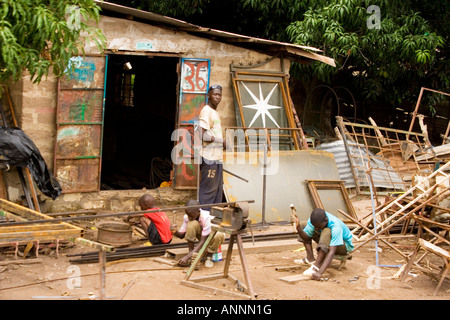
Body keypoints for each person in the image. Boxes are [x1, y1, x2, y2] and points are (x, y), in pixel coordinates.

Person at [293, 208, 354, 280]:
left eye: (318, 227)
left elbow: (331, 252)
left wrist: (319, 272)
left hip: (343, 246)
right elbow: (306, 238)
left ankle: (316, 266)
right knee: (303, 224)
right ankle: (310, 259)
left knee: (326, 231)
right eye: (315, 226)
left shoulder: (335, 226)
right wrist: (298, 228)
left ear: (326, 220)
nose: (316, 228)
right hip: (328, 239)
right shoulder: (316, 221)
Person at [173, 199, 225, 268]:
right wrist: (174, 231)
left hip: (213, 237)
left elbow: (203, 241)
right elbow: (182, 235)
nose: (189, 217)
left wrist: (187, 257)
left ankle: (209, 256)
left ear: (198, 211)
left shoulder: (206, 218)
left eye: (192, 215)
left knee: (219, 234)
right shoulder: (187, 217)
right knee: (191, 223)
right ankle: (191, 252)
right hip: (203, 236)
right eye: (188, 215)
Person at [198, 85, 226, 210]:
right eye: (215, 94)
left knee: (217, 190)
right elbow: (203, 135)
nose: (217, 97)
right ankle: (203, 217)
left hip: (217, 157)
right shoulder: (206, 111)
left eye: (219, 95)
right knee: (208, 190)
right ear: (208, 95)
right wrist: (221, 141)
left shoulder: (214, 112)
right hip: (209, 158)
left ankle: (212, 219)